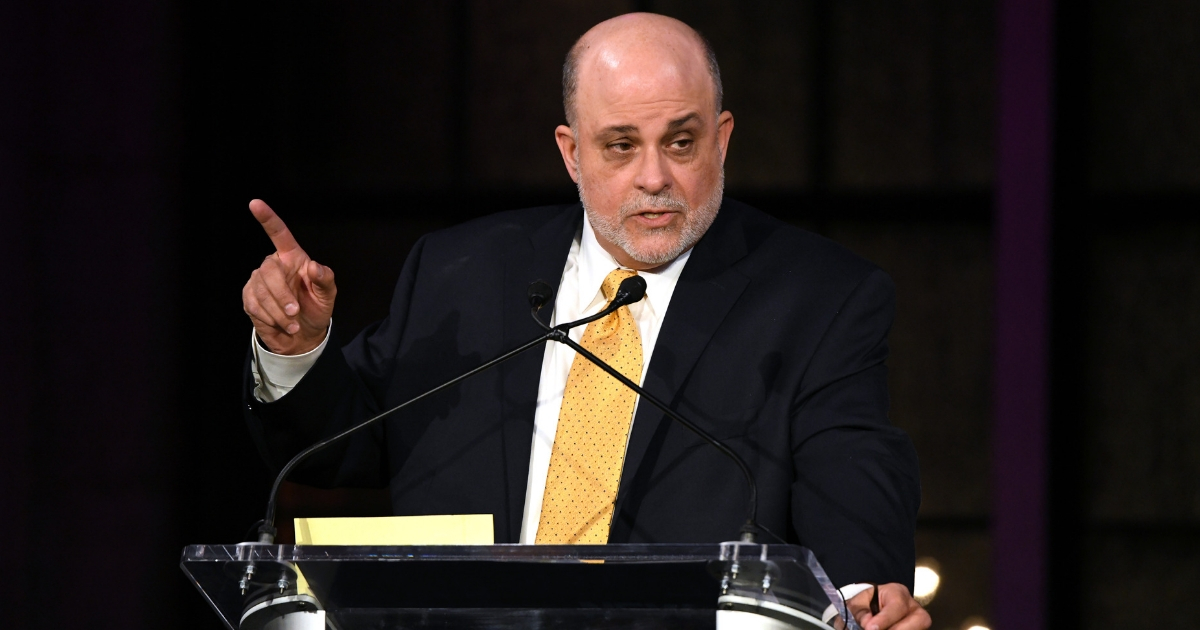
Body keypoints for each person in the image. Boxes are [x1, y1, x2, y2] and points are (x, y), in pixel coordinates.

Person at [241, 13, 929, 630]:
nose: (654, 176)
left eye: (681, 143)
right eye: (621, 146)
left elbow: (853, 471)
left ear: (721, 139)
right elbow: (338, 448)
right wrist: (297, 347)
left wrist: (861, 596)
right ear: (572, 152)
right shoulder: (464, 271)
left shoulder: (818, 297)